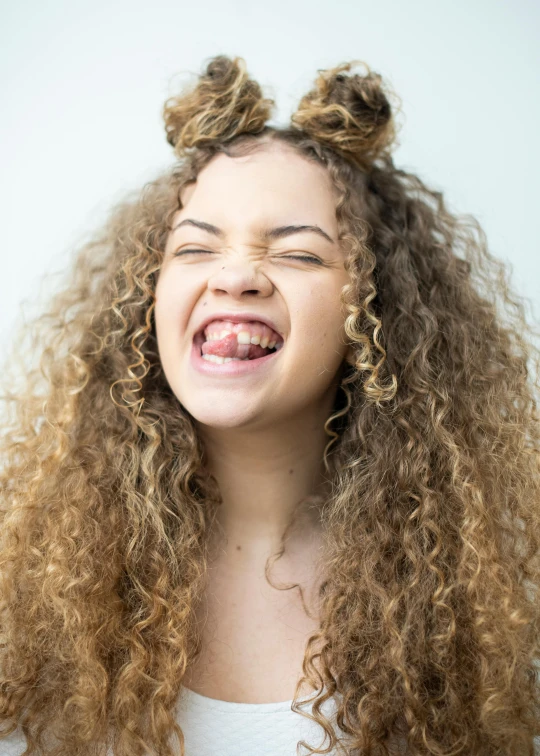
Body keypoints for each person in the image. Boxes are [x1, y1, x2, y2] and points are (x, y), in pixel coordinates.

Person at [0, 54, 539, 756]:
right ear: (146, 300)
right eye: (196, 248)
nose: (235, 275)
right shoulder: (25, 583)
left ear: (377, 313)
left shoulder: (488, 607)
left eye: (300, 255)